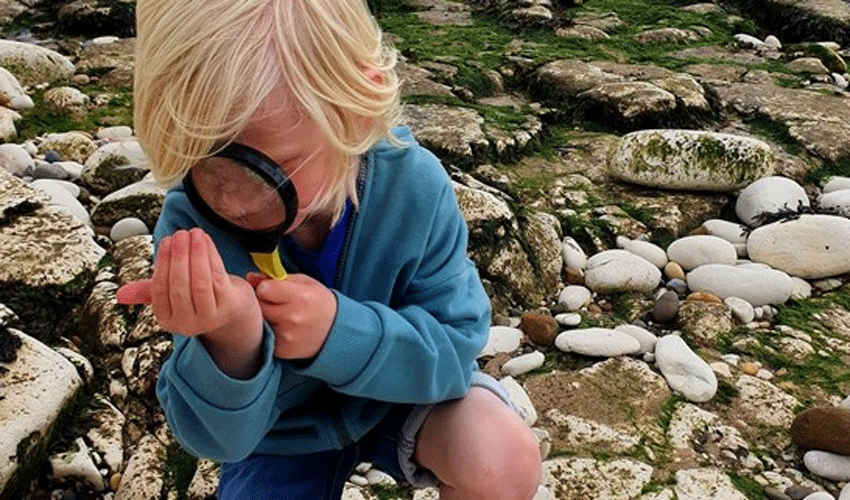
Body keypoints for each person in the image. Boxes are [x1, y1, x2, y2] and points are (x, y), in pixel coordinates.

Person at [116, 0, 542, 499]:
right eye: (207, 169)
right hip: (279, 436)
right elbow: (214, 439)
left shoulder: (414, 186)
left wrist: (339, 334)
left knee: (501, 458)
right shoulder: (192, 224)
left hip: (400, 401)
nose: (234, 201)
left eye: (268, 170)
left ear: (357, 113)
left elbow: (454, 352)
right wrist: (231, 343)